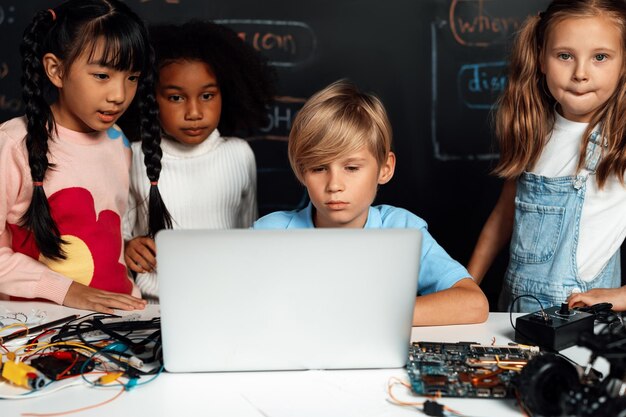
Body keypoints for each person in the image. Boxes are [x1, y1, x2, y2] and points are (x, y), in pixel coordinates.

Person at [253, 80, 488, 326]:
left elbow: (473, 303)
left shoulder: (403, 230)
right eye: (319, 168)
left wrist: (365, 315)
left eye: (352, 168)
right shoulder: (270, 233)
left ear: (385, 169)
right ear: (302, 172)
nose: (334, 184)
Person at [0, 0, 172, 313]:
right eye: (102, 76)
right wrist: (67, 290)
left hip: (119, 320)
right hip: (39, 326)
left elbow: (103, 229)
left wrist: (127, 247)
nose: (119, 95)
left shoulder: (118, 141)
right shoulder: (13, 144)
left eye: (132, 77)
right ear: (56, 70)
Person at [467, 0, 626, 312]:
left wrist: (621, 296)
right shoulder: (534, 131)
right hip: (515, 311)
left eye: (600, 57)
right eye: (564, 56)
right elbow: (503, 216)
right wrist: (466, 285)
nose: (580, 73)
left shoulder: (619, 143)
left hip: (583, 326)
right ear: (541, 58)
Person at [122, 21, 275, 302]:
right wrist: (127, 246)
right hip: (155, 306)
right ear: (150, 99)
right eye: (176, 97)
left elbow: (250, 236)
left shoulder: (239, 155)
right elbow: (118, 235)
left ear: (225, 93)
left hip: (229, 300)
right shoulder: (131, 156)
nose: (194, 112)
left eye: (207, 96)